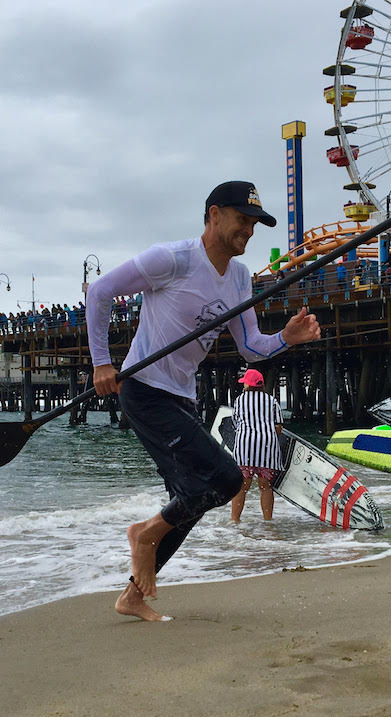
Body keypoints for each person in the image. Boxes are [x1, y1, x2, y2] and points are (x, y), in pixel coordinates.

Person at [86, 180, 321, 621]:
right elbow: (99, 293)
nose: (249, 231)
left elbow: (252, 346)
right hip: (144, 389)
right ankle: (142, 535)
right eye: (242, 220)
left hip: (181, 398)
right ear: (214, 215)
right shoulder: (171, 259)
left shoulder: (239, 278)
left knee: (190, 498)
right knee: (226, 480)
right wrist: (102, 363)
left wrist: (286, 338)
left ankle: (133, 596)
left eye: (254, 224)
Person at [228, 369, 283, 522]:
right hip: (267, 447)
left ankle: (235, 520)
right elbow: (278, 426)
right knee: (265, 486)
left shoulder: (240, 400)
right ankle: (267, 521)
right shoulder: (272, 401)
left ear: (248, 385)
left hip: (245, 447)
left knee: (242, 487)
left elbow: (235, 423)